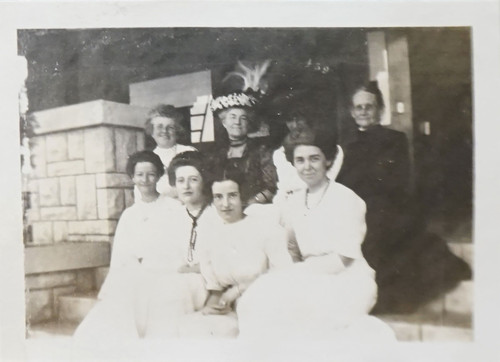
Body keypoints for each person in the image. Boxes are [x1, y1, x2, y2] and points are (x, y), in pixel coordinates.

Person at [236, 127, 395, 341]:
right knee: (256, 300)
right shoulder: (293, 201)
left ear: (327, 161)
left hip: (348, 280)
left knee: (310, 317)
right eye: (300, 160)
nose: (307, 167)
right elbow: (292, 249)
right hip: (308, 275)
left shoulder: (347, 199)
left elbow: (344, 258)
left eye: (314, 159)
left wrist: (298, 274)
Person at [337, 82, 471, 312]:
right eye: (358, 107)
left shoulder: (394, 139)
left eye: (369, 106)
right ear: (352, 112)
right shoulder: (346, 144)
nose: (363, 111)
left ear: (379, 110)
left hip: (385, 206)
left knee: (382, 234)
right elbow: (341, 182)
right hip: (354, 207)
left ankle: (382, 298)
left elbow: (395, 180)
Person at [74, 150, 183, 343]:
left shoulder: (173, 208)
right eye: (140, 174)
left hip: (165, 269)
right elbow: (120, 255)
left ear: (159, 175)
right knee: (120, 298)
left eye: (150, 174)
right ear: (133, 177)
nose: (145, 179)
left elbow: (178, 244)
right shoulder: (129, 215)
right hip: (136, 272)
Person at [178, 167, 292, 338]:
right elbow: (216, 290)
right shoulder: (209, 236)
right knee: (195, 329)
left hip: (267, 300)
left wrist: (238, 291)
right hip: (231, 307)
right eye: (218, 197)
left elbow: (283, 275)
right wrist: (212, 307)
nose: (225, 204)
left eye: (232, 195)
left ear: (243, 196)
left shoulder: (266, 228)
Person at [208, 61, 278, 206]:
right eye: (232, 117)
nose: (237, 122)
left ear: (249, 124)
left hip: (255, 210)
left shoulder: (262, 151)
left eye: (243, 118)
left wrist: (252, 203)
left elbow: (271, 187)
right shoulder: (217, 153)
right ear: (224, 122)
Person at [135, 104, 196, 200]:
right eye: (159, 127)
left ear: (177, 130)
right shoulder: (147, 159)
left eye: (170, 127)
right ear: (151, 131)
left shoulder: (189, 152)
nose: (164, 131)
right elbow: (140, 193)